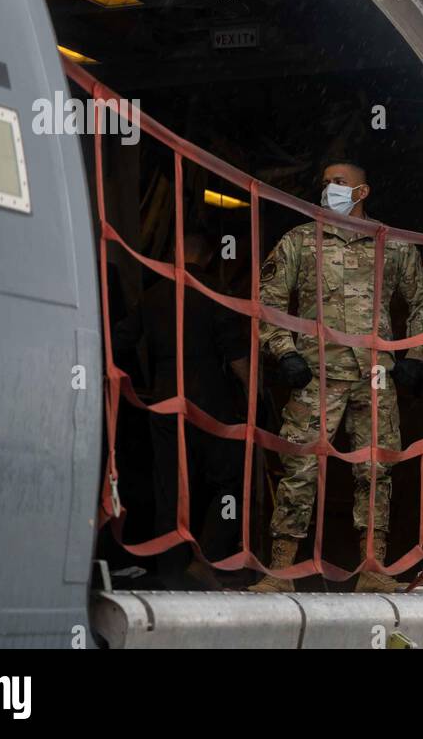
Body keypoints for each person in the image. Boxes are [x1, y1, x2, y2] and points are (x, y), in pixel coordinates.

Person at [248, 161, 423, 593]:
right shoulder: (300, 240)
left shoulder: (394, 246)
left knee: (376, 470)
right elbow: (267, 298)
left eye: (339, 182)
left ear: (362, 192)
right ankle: (281, 571)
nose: (329, 188)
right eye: (326, 181)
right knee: (300, 467)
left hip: (376, 376)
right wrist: (283, 352)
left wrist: (416, 356)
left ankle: (371, 568)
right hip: (316, 375)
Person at [112, 232, 249, 590]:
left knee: (169, 488)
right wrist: (253, 399)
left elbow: (120, 339)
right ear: (206, 257)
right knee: (228, 483)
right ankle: (211, 556)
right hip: (210, 401)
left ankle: (170, 570)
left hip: (163, 401)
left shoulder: (154, 294)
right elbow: (236, 356)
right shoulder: (215, 292)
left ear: (174, 252)